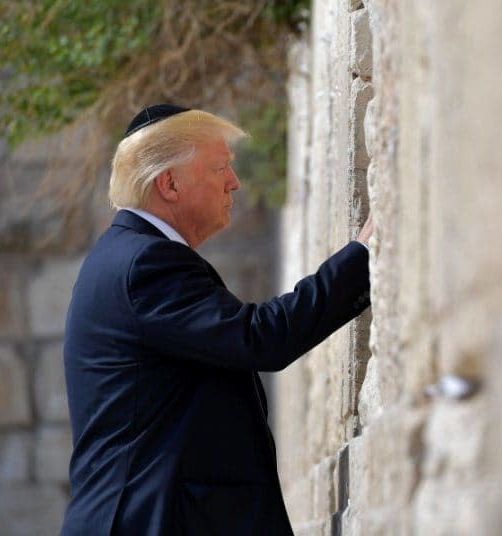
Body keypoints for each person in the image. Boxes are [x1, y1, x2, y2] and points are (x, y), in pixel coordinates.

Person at [61, 104, 373, 535]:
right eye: (220, 167)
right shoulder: (145, 264)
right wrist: (364, 258)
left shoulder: (126, 257)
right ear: (169, 183)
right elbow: (261, 338)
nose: (235, 182)